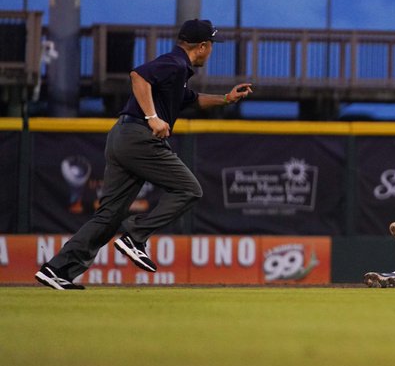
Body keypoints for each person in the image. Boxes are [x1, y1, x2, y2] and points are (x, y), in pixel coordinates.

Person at [35, 19, 254, 290]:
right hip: (139, 137)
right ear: (202, 46)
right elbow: (139, 76)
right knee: (189, 189)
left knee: (109, 216)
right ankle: (135, 237)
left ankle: (57, 270)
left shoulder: (178, 71)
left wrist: (226, 99)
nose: (211, 51)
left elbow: (192, 99)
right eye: (210, 46)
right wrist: (152, 117)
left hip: (122, 136)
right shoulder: (175, 63)